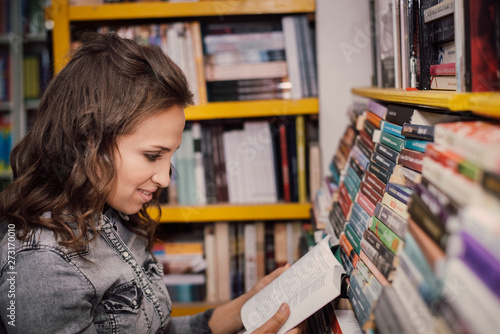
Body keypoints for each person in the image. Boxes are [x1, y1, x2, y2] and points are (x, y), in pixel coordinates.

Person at [0, 32, 303, 334]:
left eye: (170, 156)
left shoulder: (112, 212)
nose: (165, 178)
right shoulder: (42, 264)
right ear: (88, 140)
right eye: (152, 155)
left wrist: (249, 305)